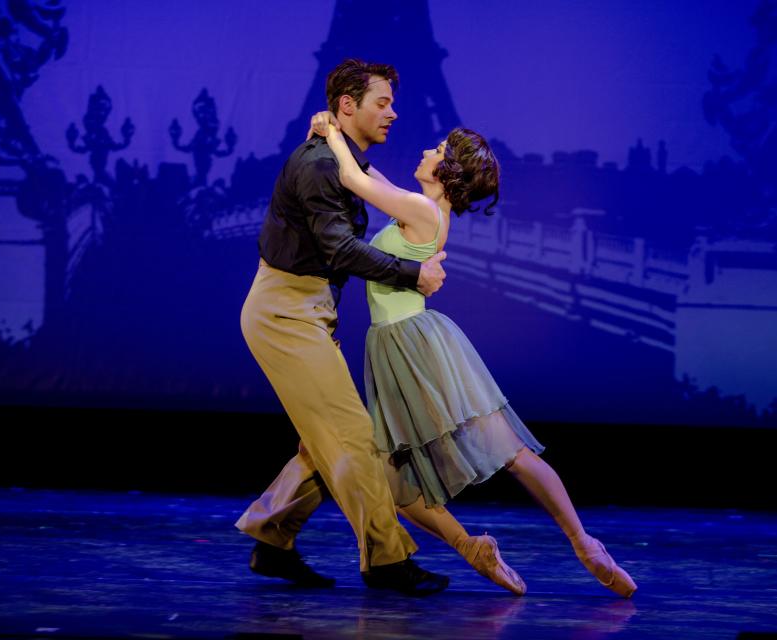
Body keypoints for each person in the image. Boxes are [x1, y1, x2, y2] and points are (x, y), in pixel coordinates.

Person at [309, 111, 638, 598]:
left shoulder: (423, 213)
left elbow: (356, 178)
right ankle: (475, 548)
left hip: (416, 346)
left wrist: (331, 132)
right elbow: (372, 177)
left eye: (437, 150)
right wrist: (342, 142)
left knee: (509, 451)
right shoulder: (421, 208)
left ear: (446, 172)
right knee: (396, 483)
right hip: (395, 347)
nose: (426, 151)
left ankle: (584, 542)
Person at [234, 59, 451, 596]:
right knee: (353, 434)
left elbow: (373, 196)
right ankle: (386, 559)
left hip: (305, 310)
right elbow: (339, 249)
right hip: (285, 313)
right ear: (348, 105)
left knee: (321, 441)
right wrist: (413, 275)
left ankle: (271, 537)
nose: (393, 113)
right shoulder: (321, 166)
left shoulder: (342, 158)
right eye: (383, 103)